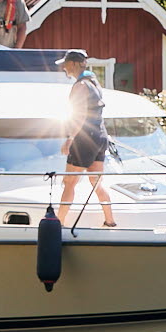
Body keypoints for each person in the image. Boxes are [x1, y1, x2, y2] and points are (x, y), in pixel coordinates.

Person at [58, 49, 115, 228]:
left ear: (74, 64)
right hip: (100, 136)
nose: (64, 68)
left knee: (69, 182)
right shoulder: (94, 82)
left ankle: (58, 224)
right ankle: (110, 221)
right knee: (96, 181)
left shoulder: (80, 86)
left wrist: (69, 138)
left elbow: (79, 114)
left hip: (85, 139)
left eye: (65, 65)